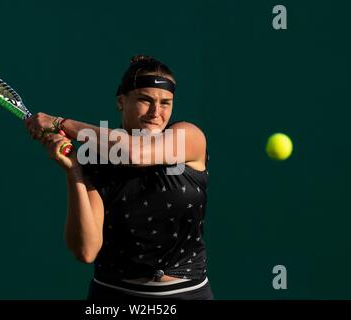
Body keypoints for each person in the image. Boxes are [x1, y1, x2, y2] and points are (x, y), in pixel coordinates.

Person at [25, 55, 213, 300]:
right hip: (114, 297)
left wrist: (62, 123)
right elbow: (86, 251)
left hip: (187, 294)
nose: (156, 112)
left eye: (166, 102)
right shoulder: (95, 157)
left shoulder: (189, 137)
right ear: (121, 102)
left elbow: (136, 153)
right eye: (145, 100)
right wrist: (74, 171)